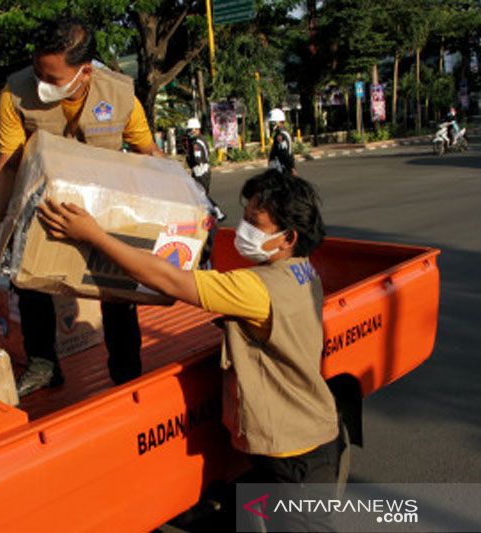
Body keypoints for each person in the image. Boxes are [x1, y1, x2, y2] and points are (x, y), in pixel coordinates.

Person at [37, 170, 340, 528]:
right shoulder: (304, 270)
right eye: (244, 218)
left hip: (292, 453)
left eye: (254, 223)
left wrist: (93, 235)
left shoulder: (256, 289)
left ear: (288, 237)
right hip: (311, 431)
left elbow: (166, 279)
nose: (244, 229)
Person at [0, 17, 164, 396]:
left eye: (51, 78)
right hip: (46, 206)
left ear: (85, 71)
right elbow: (8, 162)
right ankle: (43, 364)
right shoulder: (15, 92)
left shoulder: (118, 94)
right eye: (37, 71)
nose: (41, 84)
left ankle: (126, 371)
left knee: (118, 289)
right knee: (26, 276)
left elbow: (148, 153)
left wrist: (182, 200)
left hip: (105, 206)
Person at [267, 108, 296, 176]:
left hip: (281, 169)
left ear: (279, 122)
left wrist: (291, 167)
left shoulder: (281, 136)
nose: (271, 125)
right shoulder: (281, 134)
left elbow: (285, 154)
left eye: (273, 123)